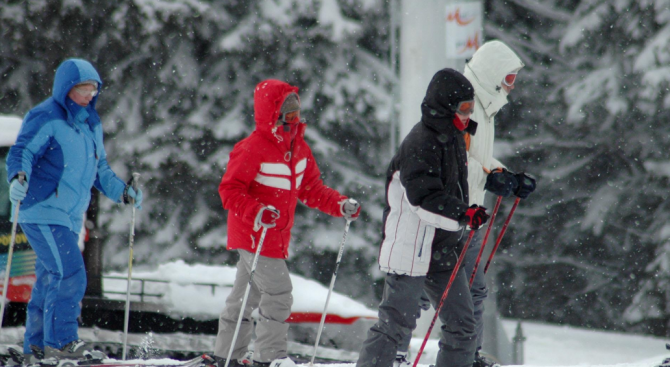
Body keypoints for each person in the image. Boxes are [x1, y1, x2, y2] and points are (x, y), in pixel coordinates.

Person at [214, 79, 361, 367]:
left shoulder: (299, 149)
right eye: (288, 115)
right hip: (254, 233)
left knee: (245, 296)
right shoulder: (253, 147)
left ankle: (227, 355)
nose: (294, 121)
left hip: (275, 236)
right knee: (279, 293)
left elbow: (312, 189)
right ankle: (269, 358)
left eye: (297, 114)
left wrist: (340, 205)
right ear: (273, 116)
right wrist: (257, 211)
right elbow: (229, 190)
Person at [6, 58, 143, 361]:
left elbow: (100, 169)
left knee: (49, 279)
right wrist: (18, 177)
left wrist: (122, 192)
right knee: (70, 273)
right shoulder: (46, 116)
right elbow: (22, 152)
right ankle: (62, 342)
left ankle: (38, 346)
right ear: (66, 88)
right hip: (41, 209)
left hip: (69, 216)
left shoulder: (91, 124)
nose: (90, 95)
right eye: (84, 88)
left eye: (94, 89)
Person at [356, 68, 490, 367]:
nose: (468, 115)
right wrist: (463, 215)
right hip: (411, 249)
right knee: (395, 325)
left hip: (442, 249)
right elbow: (423, 200)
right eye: (463, 108)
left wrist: (483, 192)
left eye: (472, 108)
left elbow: (456, 186)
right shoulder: (419, 143)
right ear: (446, 107)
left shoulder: (454, 137)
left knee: (463, 327)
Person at [462, 40, 537, 367]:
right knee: (438, 290)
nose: (512, 85)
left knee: (474, 291)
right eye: (509, 78)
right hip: (455, 214)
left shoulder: (486, 108)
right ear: (492, 74)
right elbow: (456, 159)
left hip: (472, 213)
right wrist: (489, 178)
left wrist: (506, 174)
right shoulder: (466, 106)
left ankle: (469, 354)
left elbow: (478, 158)